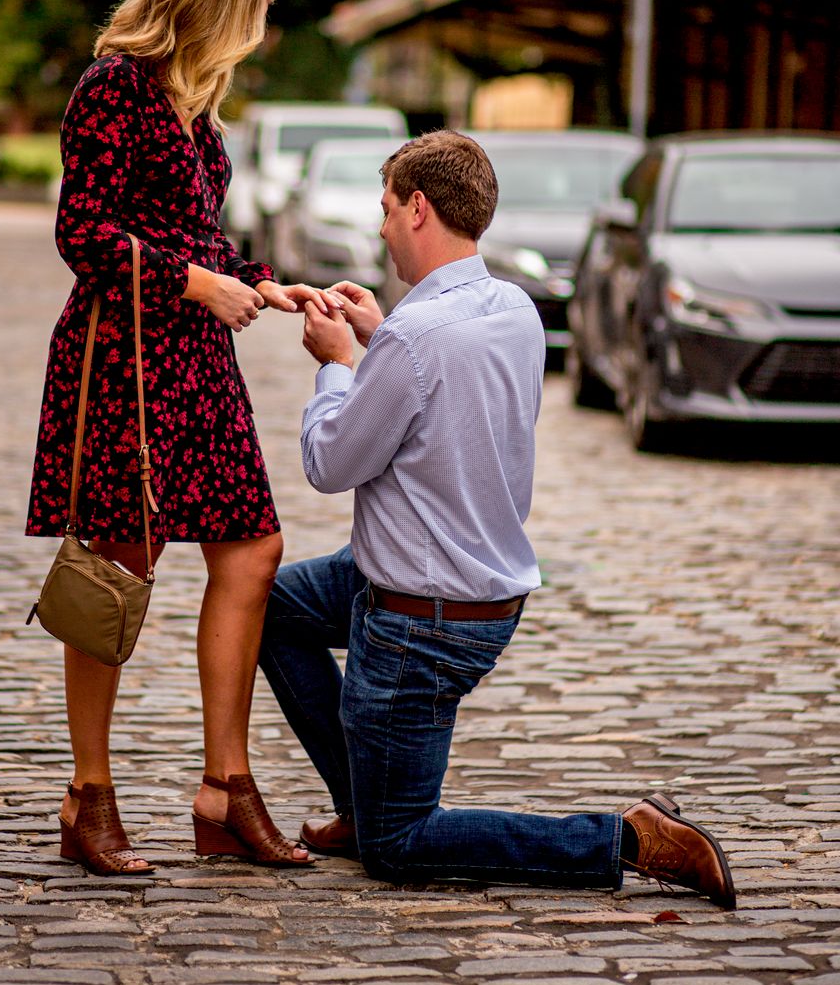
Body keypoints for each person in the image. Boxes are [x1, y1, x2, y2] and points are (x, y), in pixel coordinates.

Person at [258, 129, 735, 908]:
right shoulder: (509, 306)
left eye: (385, 210)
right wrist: (379, 342)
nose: (379, 229)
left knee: (402, 845)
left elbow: (330, 465)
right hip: (475, 588)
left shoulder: (413, 338)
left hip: (422, 621)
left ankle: (628, 839)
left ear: (418, 209)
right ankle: (362, 796)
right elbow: (443, 391)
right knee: (273, 605)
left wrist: (340, 367)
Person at [27, 0, 324, 874]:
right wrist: (197, 285)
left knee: (253, 547)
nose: (249, 45)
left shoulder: (202, 116)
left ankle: (224, 790)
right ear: (201, 15)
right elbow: (83, 232)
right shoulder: (111, 86)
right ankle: (88, 796)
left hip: (196, 360)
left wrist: (269, 285)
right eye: (244, 26)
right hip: (122, 357)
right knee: (121, 566)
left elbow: (193, 235)